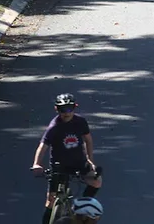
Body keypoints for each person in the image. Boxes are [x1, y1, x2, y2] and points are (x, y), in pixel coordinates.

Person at [31, 94, 102, 224]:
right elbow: (43, 145)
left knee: (96, 181)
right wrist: (37, 164)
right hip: (60, 166)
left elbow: (88, 140)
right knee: (50, 200)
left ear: (75, 108)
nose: (66, 113)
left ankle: (80, 208)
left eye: (69, 108)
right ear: (56, 109)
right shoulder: (54, 126)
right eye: (62, 109)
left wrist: (90, 159)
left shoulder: (80, 122)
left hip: (78, 162)